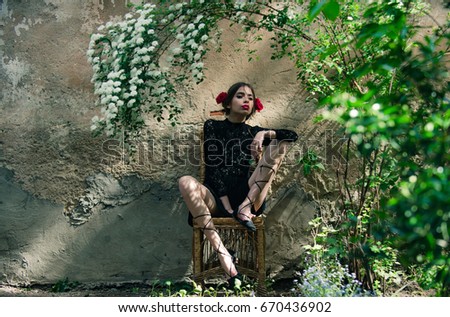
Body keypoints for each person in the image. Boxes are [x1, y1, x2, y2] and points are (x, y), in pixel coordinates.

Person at [178, 82, 298, 287]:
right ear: (228, 101)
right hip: (216, 197)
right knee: (185, 181)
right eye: (240, 96)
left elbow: (292, 135)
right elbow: (213, 169)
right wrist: (226, 206)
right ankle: (222, 253)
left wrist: (264, 134)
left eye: (250, 98)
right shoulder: (213, 126)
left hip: (248, 196)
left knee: (280, 143)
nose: (246, 101)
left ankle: (244, 207)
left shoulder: (254, 132)